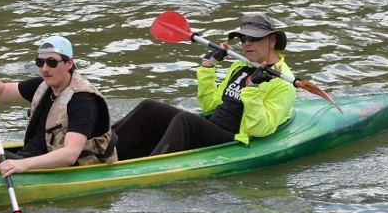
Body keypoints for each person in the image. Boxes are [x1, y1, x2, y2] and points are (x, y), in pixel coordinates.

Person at [112, 12, 296, 159]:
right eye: (243, 38)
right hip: (213, 128)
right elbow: (210, 106)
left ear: (272, 41)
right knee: (149, 108)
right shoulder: (240, 65)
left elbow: (260, 130)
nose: (247, 43)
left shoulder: (283, 82)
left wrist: (253, 90)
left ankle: (148, 169)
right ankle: (99, 149)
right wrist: (207, 69)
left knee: (185, 120)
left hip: (236, 139)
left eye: (254, 38)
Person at [0, 35, 117, 176]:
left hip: (62, 169)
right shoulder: (43, 85)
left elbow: (70, 155)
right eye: (40, 62)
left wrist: (21, 165)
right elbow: (1, 92)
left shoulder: (83, 100)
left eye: (52, 62)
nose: (45, 69)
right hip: (30, 157)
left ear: (69, 63)